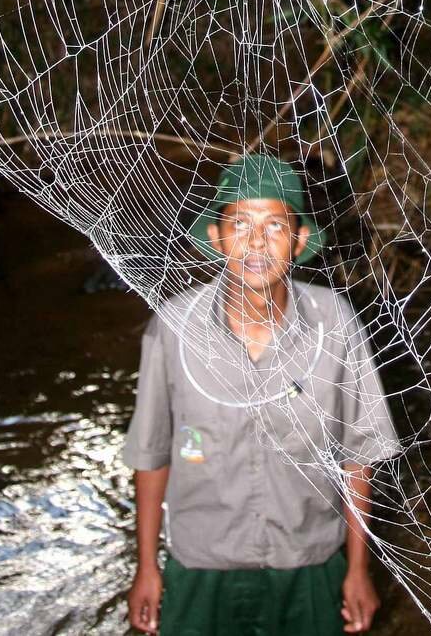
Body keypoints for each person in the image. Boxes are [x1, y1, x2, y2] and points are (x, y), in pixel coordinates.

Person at [123, 154, 399, 636]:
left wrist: (357, 569)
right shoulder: (172, 328)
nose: (256, 242)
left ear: (299, 240)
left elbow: (359, 454)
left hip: (310, 565)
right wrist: (146, 567)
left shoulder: (335, 324)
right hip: (201, 568)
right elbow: (151, 454)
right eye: (240, 224)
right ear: (216, 237)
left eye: (274, 225)